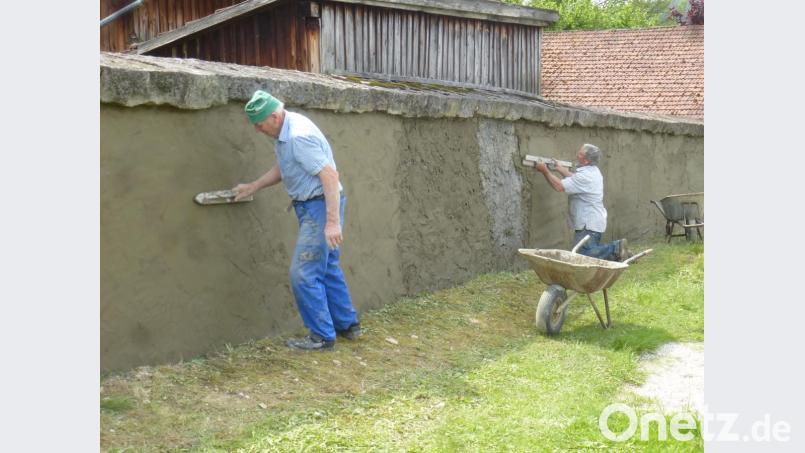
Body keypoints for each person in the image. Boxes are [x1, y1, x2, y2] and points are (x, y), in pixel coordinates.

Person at [233, 90, 361, 351]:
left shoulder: (298, 136)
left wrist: (332, 222)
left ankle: (321, 337)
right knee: (326, 267)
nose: (257, 130)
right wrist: (253, 186)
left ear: (274, 116)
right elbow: (286, 166)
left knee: (303, 273)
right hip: (314, 205)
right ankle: (347, 325)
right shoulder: (286, 131)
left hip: (319, 206)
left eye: (259, 124)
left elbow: (329, 176)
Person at [532, 143, 631, 261]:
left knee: (582, 256)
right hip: (592, 221)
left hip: (588, 223)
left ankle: (616, 248)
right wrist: (560, 169)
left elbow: (559, 186)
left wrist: (545, 171)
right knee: (588, 254)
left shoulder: (585, 176)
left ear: (586, 160)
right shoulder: (593, 171)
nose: (577, 155)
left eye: (580, 154)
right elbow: (575, 179)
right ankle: (622, 253)